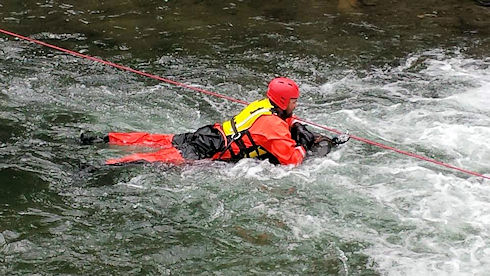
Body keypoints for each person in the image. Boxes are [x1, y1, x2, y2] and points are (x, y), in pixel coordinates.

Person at [81, 77, 349, 165]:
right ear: (283, 102)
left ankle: (105, 139)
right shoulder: (272, 125)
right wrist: (308, 146)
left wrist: (296, 125)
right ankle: (104, 164)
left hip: (208, 134)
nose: (296, 104)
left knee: (155, 139)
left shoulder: (263, 106)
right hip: (210, 151)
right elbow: (292, 160)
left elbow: (282, 122)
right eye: (294, 101)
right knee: (153, 159)